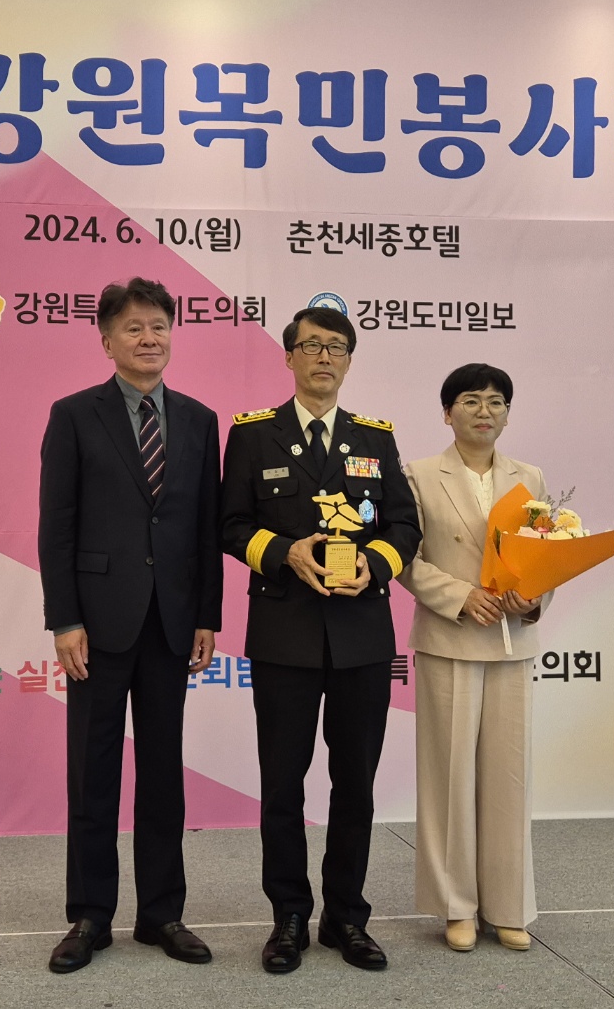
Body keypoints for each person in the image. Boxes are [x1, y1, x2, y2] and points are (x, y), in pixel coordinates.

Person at [221, 306, 421, 974]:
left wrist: (376, 565)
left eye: (336, 347)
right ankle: (288, 917)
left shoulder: (375, 438)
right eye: (311, 346)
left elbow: (403, 525)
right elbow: (230, 524)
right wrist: (285, 552)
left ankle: (346, 917)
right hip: (284, 635)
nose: (324, 357)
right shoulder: (254, 434)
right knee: (282, 784)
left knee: (354, 783)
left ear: (349, 360)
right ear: (289, 357)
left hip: (362, 637)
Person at [37, 277, 223, 973]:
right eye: (134, 329)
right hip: (97, 623)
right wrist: (64, 618)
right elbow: (56, 527)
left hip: (172, 622)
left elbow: (206, 528)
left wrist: (207, 615)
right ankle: (90, 915)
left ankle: (162, 913)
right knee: (93, 772)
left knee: (164, 773)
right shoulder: (74, 415)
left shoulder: (200, 419)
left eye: (159, 327)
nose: (150, 339)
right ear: (107, 341)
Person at [398, 363, 551, 953]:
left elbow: (548, 552)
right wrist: (461, 596)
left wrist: (532, 598)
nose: (484, 411)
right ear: (447, 413)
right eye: (470, 400)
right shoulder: (418, 474)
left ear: (508, 414)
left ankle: (509, 906)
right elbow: (404, 558)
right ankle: (456, 905)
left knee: (510, 779)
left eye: (495, 402)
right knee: (450, 778)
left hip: (512, 643)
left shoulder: (529, 477)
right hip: (451, 638)